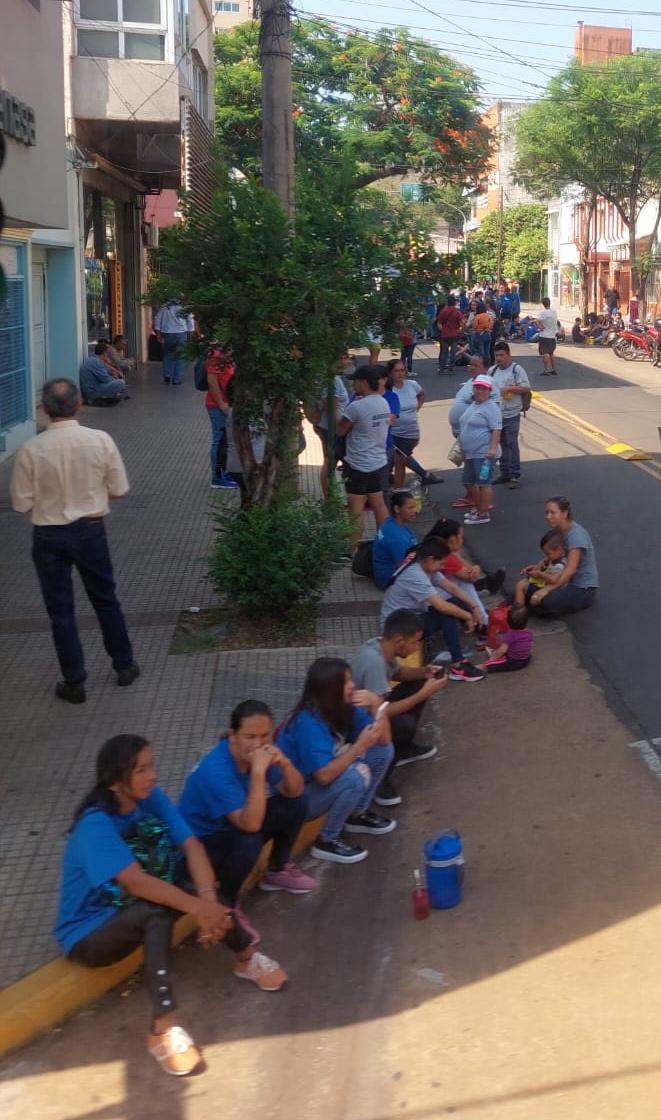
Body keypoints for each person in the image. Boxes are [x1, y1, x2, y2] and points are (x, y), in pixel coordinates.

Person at [56, 735, 287, 1077]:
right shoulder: (95, 825)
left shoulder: (150, 798)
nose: (152, 775)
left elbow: (192, 845)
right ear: (116, 782)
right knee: (157, 911)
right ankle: (162, 1029)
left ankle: (246, 959)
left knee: (202, 887)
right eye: (141, 769)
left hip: (132, 904)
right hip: (89, 932)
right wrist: (198, 909)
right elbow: (136, 882)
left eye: (152, 765)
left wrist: (207, 904)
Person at [10, 378, 139, 704]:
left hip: (48, 535)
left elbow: (21, 503)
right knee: (105, 598)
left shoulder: (31, 449)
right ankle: (124, 665)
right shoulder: (100, 440)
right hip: (90, 530)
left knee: (60, 609)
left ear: (44, 410)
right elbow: (120, 489)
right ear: (79, 404)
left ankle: (74, 680)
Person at [179, 699, 316, 935]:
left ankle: (277, 870)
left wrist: (285, 763)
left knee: (295, 804)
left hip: (231, 828)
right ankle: (229, 903)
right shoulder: (216, 771)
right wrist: (260, 771)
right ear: (233, 735)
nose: (258, 744)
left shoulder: (260, 753)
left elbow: (294, 791)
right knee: (248, 839)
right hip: (201, 846)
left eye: (265, 736)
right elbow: (250, 825)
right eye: (250, 737)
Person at [277, 658, 396, 864]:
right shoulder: (308, 722)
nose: (353, 686)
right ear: (330, 689)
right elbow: (323, 776)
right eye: (347, 682)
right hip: (296, 798)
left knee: (383, 751)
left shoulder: (344, 706)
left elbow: (384, 740)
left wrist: (377, 704)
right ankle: (326, 839)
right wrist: (359, 747)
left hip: (322, 781)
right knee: (356, 776)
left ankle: (356, 814)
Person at [351, 608, 447, 805]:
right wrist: (424, 694)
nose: (415, 648)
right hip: (359, 726)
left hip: (373, 710)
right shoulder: (374, 663)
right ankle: (380, 779)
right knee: (403, 723)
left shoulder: (380, 646)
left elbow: (398, 673)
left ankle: (402, 749)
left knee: (419, 682)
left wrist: (425, 672)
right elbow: (381, 712)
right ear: (399, 640)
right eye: (413, 643)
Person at [379, 538, 486, 681]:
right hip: (396, 629)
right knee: (445, 614)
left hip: (409, 618)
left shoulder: (423, 564)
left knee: (455, 601)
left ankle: (480, 631)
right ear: (430, 559)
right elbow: (441, 606)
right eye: (441, 563)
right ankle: (458, 665)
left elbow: (451, 587)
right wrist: (467, 615)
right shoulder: (414, 574)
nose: (442, 567)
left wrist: (475, 607)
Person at [338, 365, 392, 546]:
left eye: (355, 382)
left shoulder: (356, 407)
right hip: (378, 461)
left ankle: (353, 550)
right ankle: (384, 544)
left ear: (363, 383)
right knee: (379, 504)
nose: (353, 385)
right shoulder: (383, 402)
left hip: (358, 463)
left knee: (355, 508)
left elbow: (340, 430)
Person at [424, 517, 506, 630]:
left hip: (430, 591)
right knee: (463, 583)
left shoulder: (438, 547)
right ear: (452, 540)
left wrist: (474, 568)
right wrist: (475, 569)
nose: (462, 540)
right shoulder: (444, 556)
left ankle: (480, 615)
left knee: (459, 582)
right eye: (461, 537)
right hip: (428, 599)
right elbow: (469, 577)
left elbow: (466, 567)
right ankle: (483, 621)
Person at [534, 496, 599, 618]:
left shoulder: (576, 536)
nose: (548, 517)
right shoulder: (559, 531)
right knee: (529, 590)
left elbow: (571, 569)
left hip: (582, 588)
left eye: (553, 513)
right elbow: (558, 555)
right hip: (564, 580)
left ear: (564, 513)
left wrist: (547, 589)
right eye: (546, 513)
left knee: (546, 602)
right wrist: (541, 565)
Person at [388, 357, 442, 489]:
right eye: (396, 371)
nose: (400, 373)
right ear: (390, 373)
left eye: (402, 370)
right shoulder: (387, 389)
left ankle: (420, 477)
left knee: (401, 458)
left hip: (410, 432)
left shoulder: (412, 384)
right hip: (393, 432)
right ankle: (400, 489)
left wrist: (417, 408)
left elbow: (422, 395)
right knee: (400, 460)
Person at [457, 374, 501, 525]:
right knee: (468, 481)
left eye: (483, 389)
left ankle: (483, 513)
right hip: (471, 453)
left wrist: (493, 448)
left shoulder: (491, 407)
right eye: (477, 388)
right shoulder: (475, 404)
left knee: (484, 483)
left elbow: (496, 429)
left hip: (484, 453)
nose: (480, 391)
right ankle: (478, 507)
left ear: (489, 391)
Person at [489, 341, 531, 489]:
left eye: (502, 355)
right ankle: (504, 472)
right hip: (496, 414)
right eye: (496, 355)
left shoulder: (516, 369)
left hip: (512, 413)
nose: (499, 358)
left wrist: (510, 388)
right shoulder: (492, 371)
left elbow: (526, 387)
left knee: (511, 443)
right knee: (501, 445)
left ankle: (514, 475)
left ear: (508, 355)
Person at [308, 363, 350, 499]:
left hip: (324, 426)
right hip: (332, 428)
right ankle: (330, 499)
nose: (345, 361)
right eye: (342, 358)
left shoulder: (320, 377)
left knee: (331, 460)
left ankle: (330, 498)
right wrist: (341, 427)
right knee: (330, 461)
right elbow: (331, 407)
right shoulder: (332, 381)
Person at [204, 344, 239, 490]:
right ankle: (217, 477)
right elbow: (211, 381)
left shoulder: (228, 353)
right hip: (218, 406)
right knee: (219, 440)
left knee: (226, 441)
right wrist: (221, 404)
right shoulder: (216, 355)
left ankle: (224, 473)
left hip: (226, 404)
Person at [373, 489, 419, 590]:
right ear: (397, 509)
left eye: (414, 507)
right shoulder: (396, 537)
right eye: (410, 508)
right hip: (391, 581)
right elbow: (403, 567)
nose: (414, 511)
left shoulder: (391, 522)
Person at [513, 530, 567, 609]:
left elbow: (554, 579)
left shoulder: (560, 565)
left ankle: (518, 611)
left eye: (548, 554)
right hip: (545, 584)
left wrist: (540, 574)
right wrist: (534, 568)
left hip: (550, 589)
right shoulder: (555, 558)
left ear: (559, 549)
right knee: (525, 582)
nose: (547, 557)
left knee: (520, 585)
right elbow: (542, 564)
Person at [153, 300, 194, 385]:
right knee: (180, 357)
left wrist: (158, 333)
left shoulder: (165, 306)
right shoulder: (184, 306)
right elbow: (190, 320)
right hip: (181, 334)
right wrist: (191, 333)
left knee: (168, 354)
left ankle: (167, 375)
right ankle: (176, 379)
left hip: (168, 334)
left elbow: (157, 318)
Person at [484, 605, 533, 672]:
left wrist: (493, 658)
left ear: (508, 621)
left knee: (489, 664)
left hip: (514, 662)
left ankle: (479, 668)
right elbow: (530, 645)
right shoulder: (528, 632)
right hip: (526, 659)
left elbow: (502, 651)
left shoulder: (510, 635)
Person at [436, 295, 464, 374]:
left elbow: (439, 322)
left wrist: (442, 329)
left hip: (445, 334)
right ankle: (451, 369)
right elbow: (462, 323)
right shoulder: (457, 312)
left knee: (444, 352)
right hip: (454, 334)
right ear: (455, 302)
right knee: (453, 352)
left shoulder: (443, 311)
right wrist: (460, 330)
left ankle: (441, 369)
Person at [534, 296, 559, 376]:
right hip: (552, 336)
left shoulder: (543, 313)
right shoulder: (554, 312)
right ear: (549, 303)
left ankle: (546, 370)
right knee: (551, 353)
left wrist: (540, 327)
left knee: (545, 353)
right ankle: (553, 369)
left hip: (545, 336)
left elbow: (537, 320)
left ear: (543, 304)